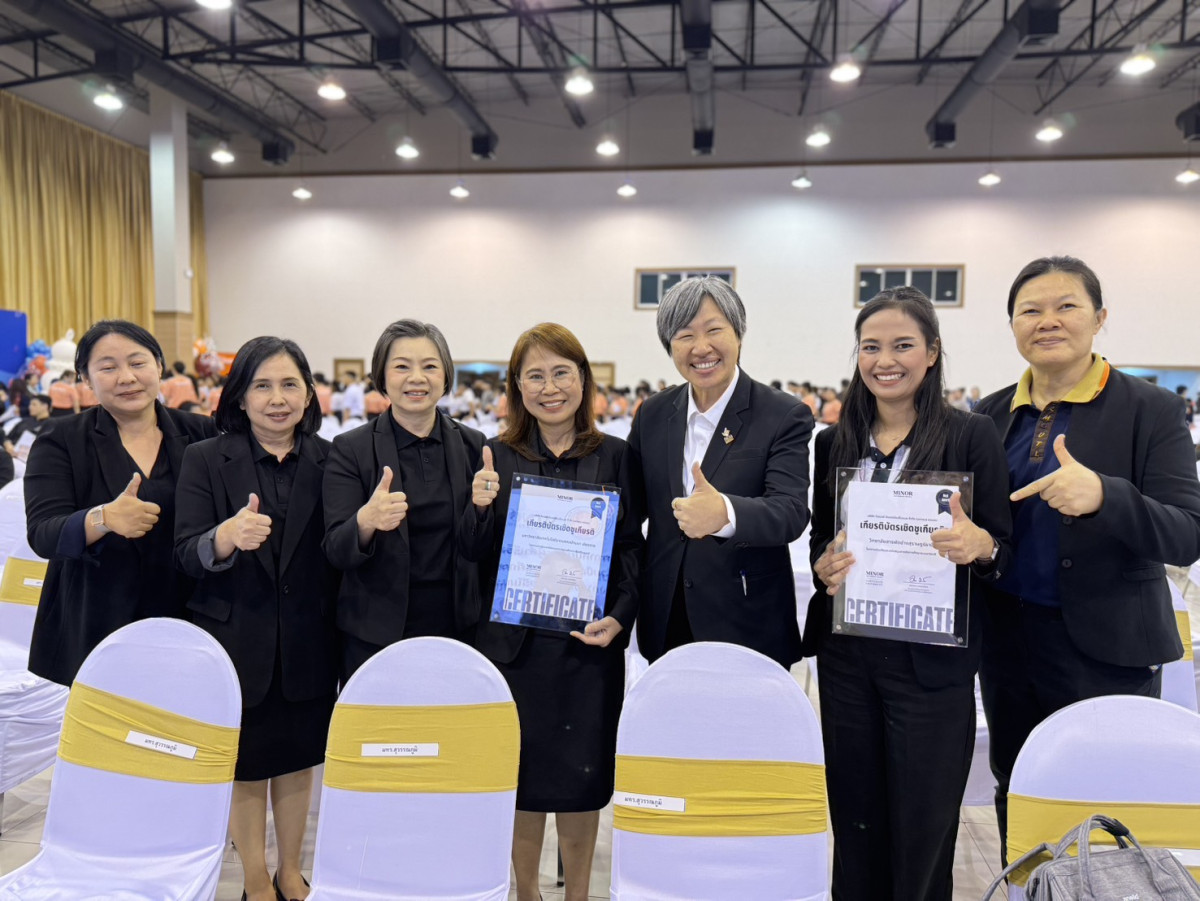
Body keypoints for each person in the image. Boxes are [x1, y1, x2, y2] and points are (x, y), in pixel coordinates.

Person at [975, 255, 1200, 856]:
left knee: (1108, 799)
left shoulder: (1149, 409)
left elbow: (1187, 533)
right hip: (1008, 643)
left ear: (1100, 318)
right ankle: (1025, 890)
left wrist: (1106, 496)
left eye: (1066, 306)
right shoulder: (989, 414)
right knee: (1018, 786)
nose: (1047, 321)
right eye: (1030, 310)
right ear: (1013, 325)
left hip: (1108, 647)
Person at [806, 287, 1011, 901]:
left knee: (923, 829)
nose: (885, 360)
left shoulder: (970, 436)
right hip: (848, 661)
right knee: (856, 821)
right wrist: (824, 565)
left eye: (902, 345)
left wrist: (982, 546)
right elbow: (821, 540)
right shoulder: (834, 442)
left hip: (931, 666)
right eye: (871, 347)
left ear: (932, 353)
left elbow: (1004, 547)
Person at [461, 323, 641, 901]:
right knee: (520, 782)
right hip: (515, 652)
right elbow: (472, 554)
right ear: (517, 386)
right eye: (534, 375)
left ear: (583, 380)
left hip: (587, 648)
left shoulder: (617, 455)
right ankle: (526, 893)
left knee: (581, 784)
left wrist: (621, 615)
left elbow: (633, 550)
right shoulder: (494, 455)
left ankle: (578, 893)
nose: (549, 387)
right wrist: (478, 508)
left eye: (562, 372)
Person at [176, 336, 337, 901]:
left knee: (296, 760)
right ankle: (252, 877)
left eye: (290, 384)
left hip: (308, 639)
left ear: (309, 394)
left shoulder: (332, 460)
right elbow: (185, 552)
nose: (277, 398)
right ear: (239, 396)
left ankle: (290, 870)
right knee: (244, 764)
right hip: (235, 636)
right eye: (261, 385)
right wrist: (224, 536)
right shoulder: (205, 458)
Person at [627, 275, 813, 668]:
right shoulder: (654, 414)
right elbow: (628, 507)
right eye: (684, 335)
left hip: (747, 621)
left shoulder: (782, 414)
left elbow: (790, 511)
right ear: (670, 346)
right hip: (667, 619)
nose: (701, 348)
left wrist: (725, 513)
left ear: (738, 335)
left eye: (714, 330)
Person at [23, 320, 217, 686]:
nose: (126, 377)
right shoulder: (61, 438)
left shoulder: (201, 432)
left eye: (137, 363)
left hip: (188, 616)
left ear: (159, 366)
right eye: (108, 367)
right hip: (97, 619)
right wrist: (103, 518)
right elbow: (43, 534)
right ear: (85, 378)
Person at [322, 320, 484, 681]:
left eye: (430, 366)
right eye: (401, 366)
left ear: (446, 375)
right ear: (382, 376)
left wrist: (483, 510)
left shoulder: (473, 445)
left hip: (457, 629)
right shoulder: (351, 449)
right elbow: (335, 550)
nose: (417, 378)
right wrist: (365, 522)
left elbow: (480, 548)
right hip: (376, 634)